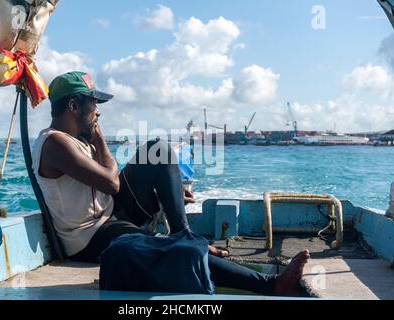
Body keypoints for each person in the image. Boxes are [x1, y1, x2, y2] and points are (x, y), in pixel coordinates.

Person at [32, 71, 310, 296]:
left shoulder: (78, 140)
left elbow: (111, 183)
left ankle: (182, 232)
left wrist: (169, 190)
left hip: (110, 214)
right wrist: (100, 139)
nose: (98, 113)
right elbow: (111, 183)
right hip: (88, 236)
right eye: (93, 105)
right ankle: (270, 284)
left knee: (159, 149)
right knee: (171, 250)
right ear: (73, 106)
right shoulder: (55, 142)